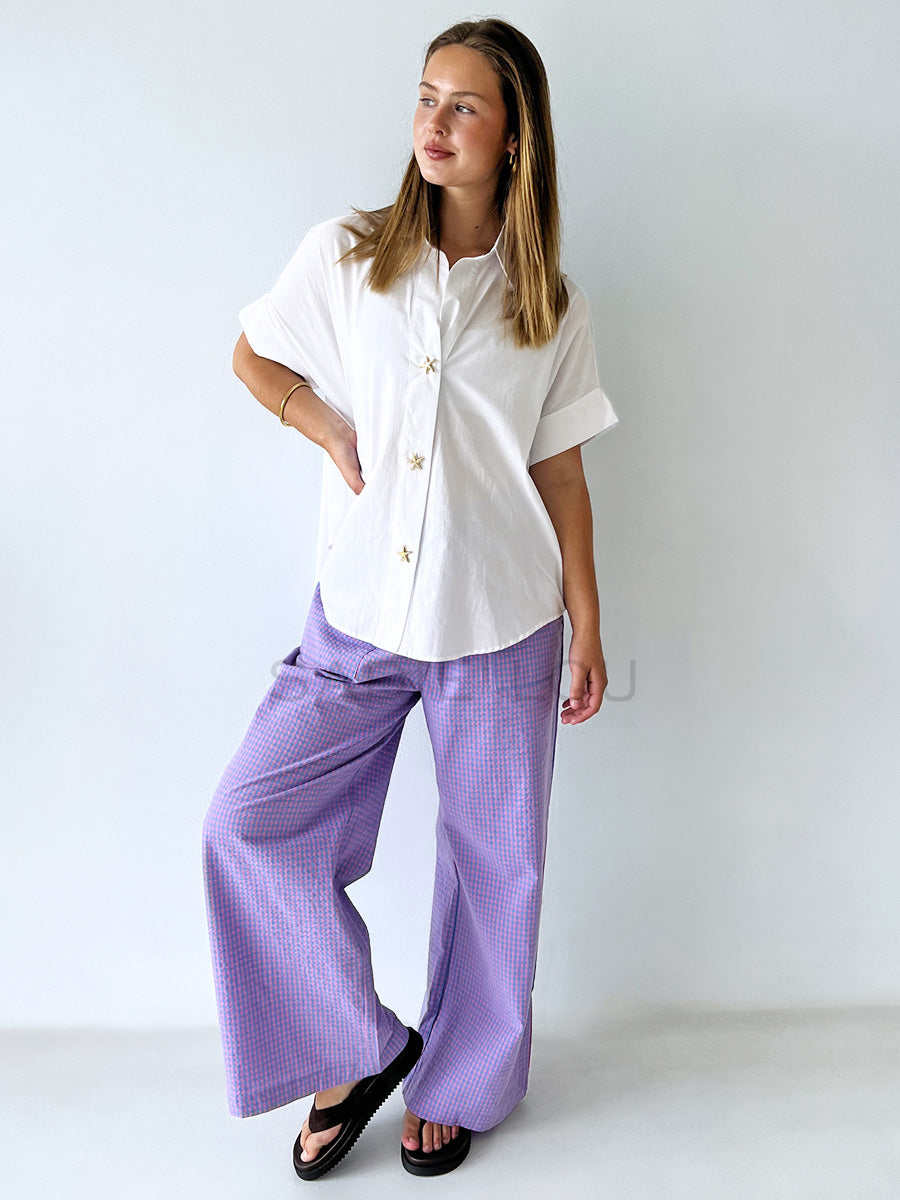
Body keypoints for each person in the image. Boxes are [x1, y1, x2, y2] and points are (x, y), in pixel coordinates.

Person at [202, 16, 619, 1181]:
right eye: (427, 96)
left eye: (464, 105)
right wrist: (323, 423)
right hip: (359, 617)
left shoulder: (550, 303)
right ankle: (357, 1049)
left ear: (514, 135)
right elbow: (253, 354)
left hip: (503, 619)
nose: (435, 123)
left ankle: (463, 1080)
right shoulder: (348, 254)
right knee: (246, 824)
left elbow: (561, 472)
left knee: (497, 865)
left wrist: (591, 620)